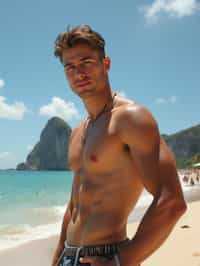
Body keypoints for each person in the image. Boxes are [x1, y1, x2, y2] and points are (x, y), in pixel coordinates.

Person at [52, 25, 187, 266]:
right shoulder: (77, 132)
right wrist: (58, 255)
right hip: (68, 257)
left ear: (106, 64)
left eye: (86, 62)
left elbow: (172, 201)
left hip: (107, 256)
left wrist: (120, 261)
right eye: (69, 67)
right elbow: (74, 204)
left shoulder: (130, 119)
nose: (78, 73)